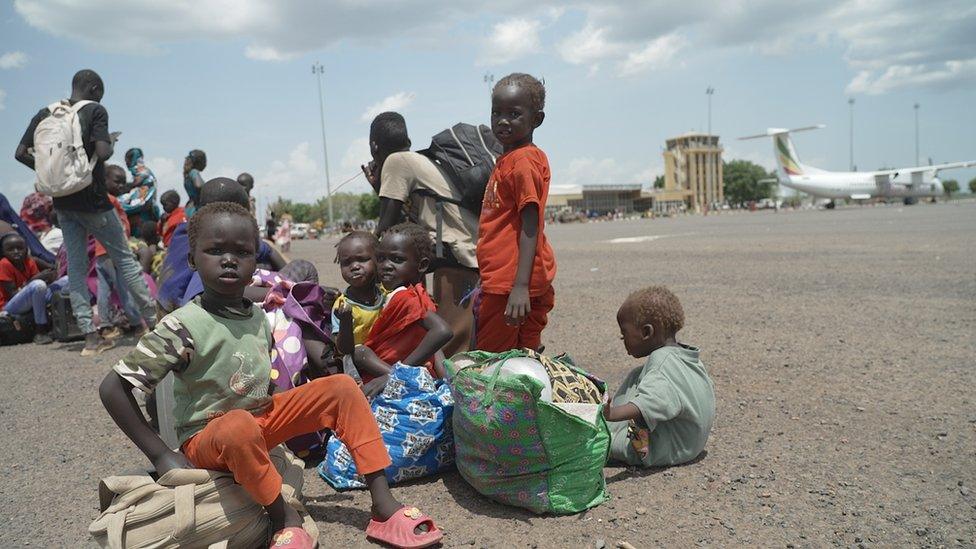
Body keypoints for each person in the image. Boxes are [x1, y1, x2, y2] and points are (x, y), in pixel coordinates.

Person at [98, 202, 443, 549]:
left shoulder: (256, 316)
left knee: (341, 388)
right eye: (215, 251)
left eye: (242, 252)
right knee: (238, 426)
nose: (229, 259)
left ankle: (383, 506)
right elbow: (114, 387)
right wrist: (160, 454)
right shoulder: (182, 325)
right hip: (208, 437)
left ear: (255, 264)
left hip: (258, 421)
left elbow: (264, 381)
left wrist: (290, 407)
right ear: (192, 260)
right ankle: (283, 518)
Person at [15, 69, 156, 355]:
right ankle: (154, 322)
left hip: (63, 203)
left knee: (77, 269)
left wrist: (54, 177)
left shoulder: (46, 113)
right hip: (93, 201)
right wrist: (110, 143)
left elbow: (20, 152)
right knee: (125, 261)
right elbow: (102, 153)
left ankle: (90, 339)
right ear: (93, 88)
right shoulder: (95, 111)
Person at [366, 112, 479, 356]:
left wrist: (368, 261)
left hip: (456, 257)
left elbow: (387, 225)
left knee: (452, 348)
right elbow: (407, 227)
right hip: (461, 251)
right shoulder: (415, 160)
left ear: (374, 146)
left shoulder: (396, 161)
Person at [475, 73, 556, 353]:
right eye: (496, 113)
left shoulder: (522, 161)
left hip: (511, 285)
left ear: (537, 119)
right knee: (521, 357)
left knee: (494, 360)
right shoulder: (509, 158)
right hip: (504, 279)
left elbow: (529, 223)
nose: (502, 121)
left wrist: (519, 286)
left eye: (514, 114)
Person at [602, 286, 715, 467]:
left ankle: (610, 434)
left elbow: (651, 401)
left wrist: (611, 413)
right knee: (636, 376)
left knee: (594, 443)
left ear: (647, 332)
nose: (623, 341)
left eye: (624, 335)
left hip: (664, 449)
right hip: (691, 444)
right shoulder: (686, 357)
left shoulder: (661, 362)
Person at [348, 223, 453, 397]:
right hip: (411, 370)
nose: (386, 266)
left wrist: (395, 375)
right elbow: (435, 349)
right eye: (381, 259)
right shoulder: (410, 294)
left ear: (422, 265)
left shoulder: (408, 298)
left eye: (397, 259)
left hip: (397, 369)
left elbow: (443, 331)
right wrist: (446, 382)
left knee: (360, 353)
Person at [156, 178, 287, 316]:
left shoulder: (182, 231)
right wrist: (282, 291)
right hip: (186, 311)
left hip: (162, 306)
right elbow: (212, 293)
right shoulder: (215, 245)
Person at [331, 232, 384, 381]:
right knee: (360, 352)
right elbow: (344, 349)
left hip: (387, 352)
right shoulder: (342, 305)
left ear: (378, 260)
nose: (354, 266)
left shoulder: (386, 294)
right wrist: (345, 320)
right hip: (359, 365)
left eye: (362, 259)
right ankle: (397, 376)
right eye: (346, 263)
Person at [0, 233, 56, 344]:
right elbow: (13, 294)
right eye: (11, 249)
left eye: (20, 248)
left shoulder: (29, 261)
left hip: (26, 300)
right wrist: (36, 279)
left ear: (26, 249)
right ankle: (40, 330)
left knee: (64, 282)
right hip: (8, 307)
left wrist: (50, 276)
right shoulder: (4, 264)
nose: (16, 252)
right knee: (38, 285)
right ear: (3, 252)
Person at [119, 147, 160, 228]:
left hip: (143, 217)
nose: (126, 164)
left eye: (127, 161)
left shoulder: (143, 173)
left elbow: (138, 200)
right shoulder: (144, 172)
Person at [182, 149, 206, 217]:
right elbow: (199, 185)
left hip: (189, 207)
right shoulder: (194, 172)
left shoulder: (187, 175)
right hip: (196, 208)